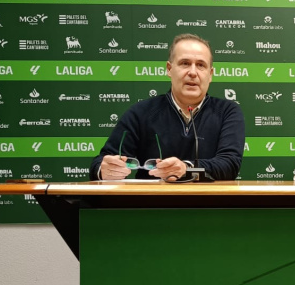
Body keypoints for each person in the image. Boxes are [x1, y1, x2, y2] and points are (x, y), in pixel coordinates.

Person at [89, 34, 245, 181]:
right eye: (185, 63)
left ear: (210, 74)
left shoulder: (227, 112)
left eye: (200, 65)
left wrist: (186, 169)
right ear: (169, 69)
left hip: (209, 205)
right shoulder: (141, 112)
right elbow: (100, 163)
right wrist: (105, 169)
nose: (192, 72)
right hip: (152, 205)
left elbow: (229, 165)